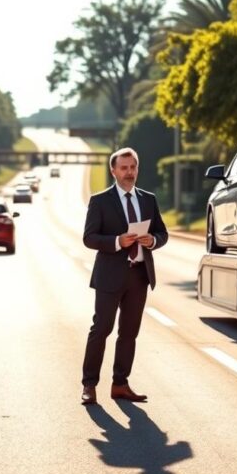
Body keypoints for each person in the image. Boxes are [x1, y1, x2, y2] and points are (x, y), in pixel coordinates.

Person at [80, 147, 169, 405]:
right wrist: (118, 241)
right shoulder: (100, 201)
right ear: (113, 171)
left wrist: (153, 240)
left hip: (139, 276)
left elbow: (162, 232)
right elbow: (89, 238)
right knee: (101, 329)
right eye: (124, 168)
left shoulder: (148, 199)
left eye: (133, 167)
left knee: (129, 333)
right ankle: (89, 385)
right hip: (109, 276)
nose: (129, 173)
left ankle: (120, 384)